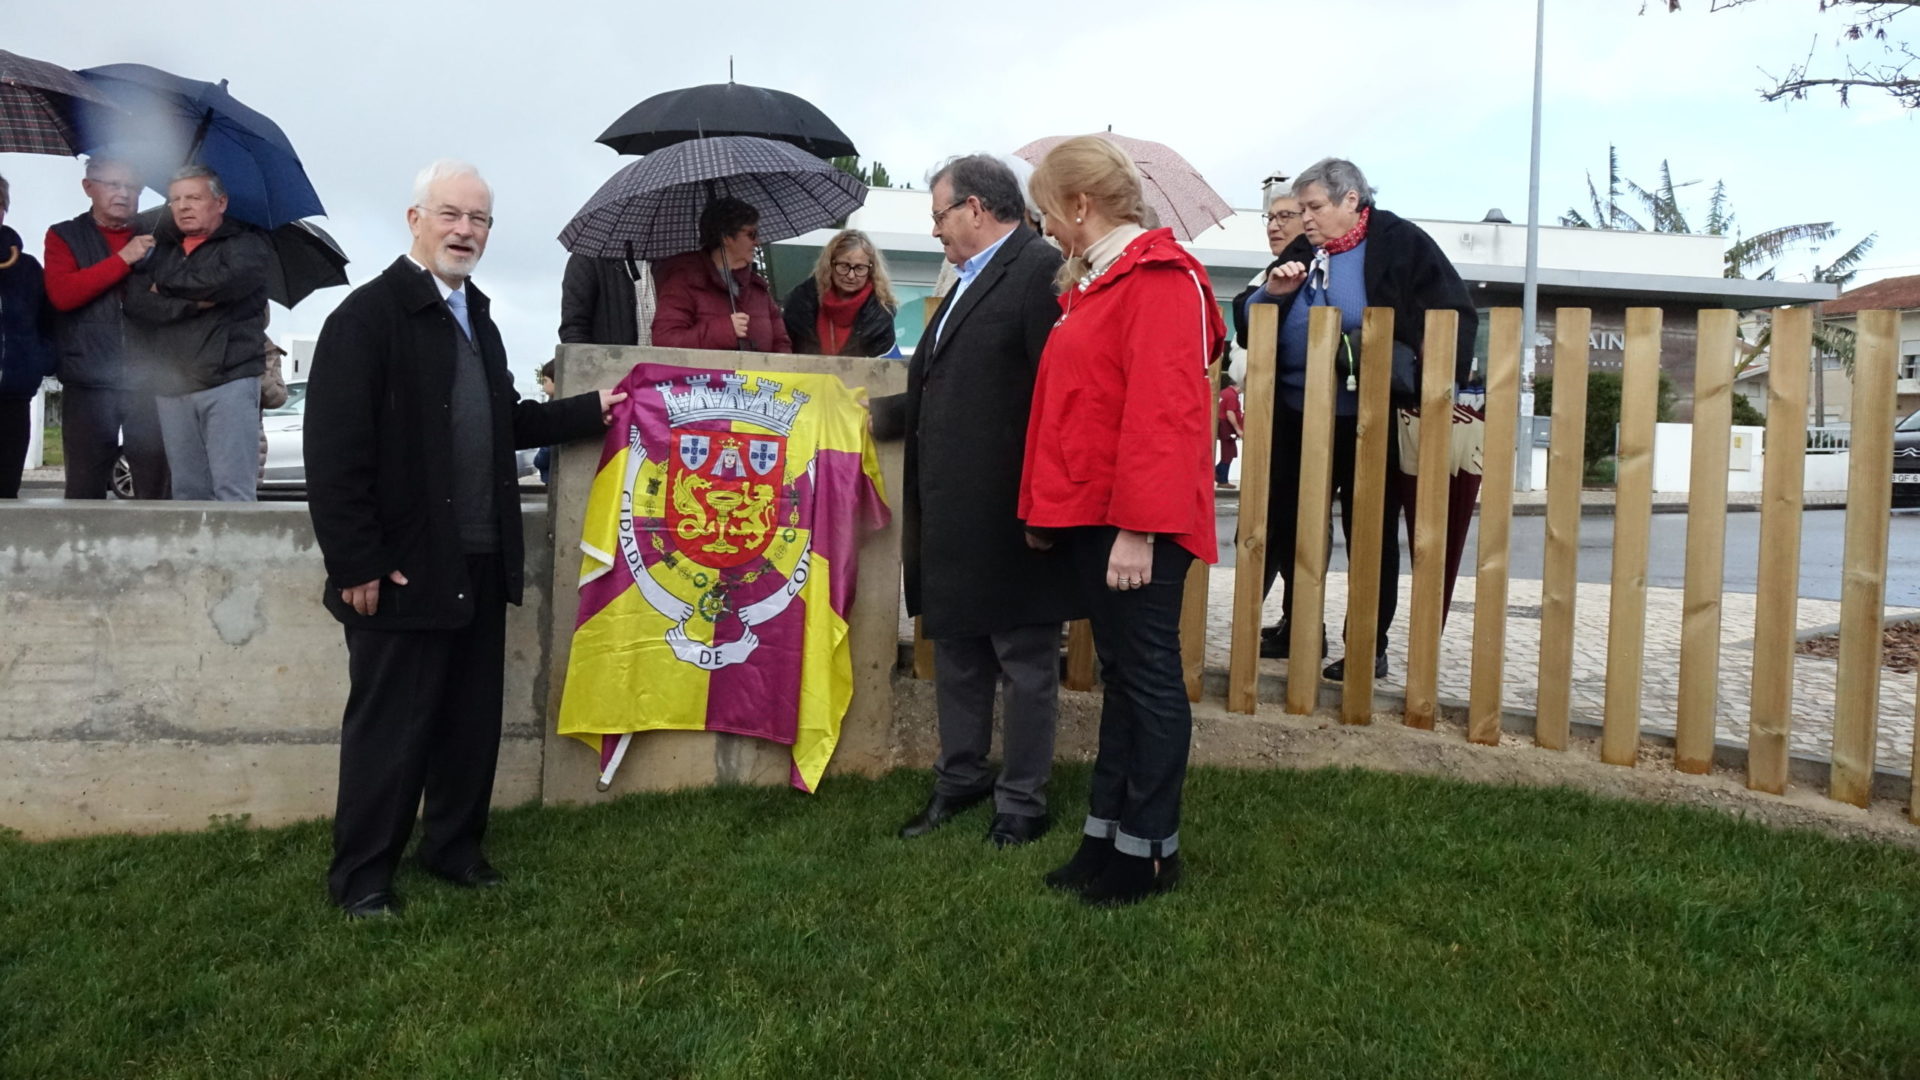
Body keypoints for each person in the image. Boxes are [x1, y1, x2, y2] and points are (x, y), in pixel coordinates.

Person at [304, 160, 625, 920]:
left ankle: (452, 847)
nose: (465, 231)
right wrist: (358, 559)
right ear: (414, 220)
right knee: (391, 729)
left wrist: (589, 411)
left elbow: (505, 420)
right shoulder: (366, 318)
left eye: (478, 220)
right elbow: (334, 450)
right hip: (403, 567)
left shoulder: (476, 316)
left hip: (480, 560)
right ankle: (363, 879)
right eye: (450, 215)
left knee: (467, 722)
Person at [1018, 135, 1224, 906]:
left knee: (1146, 678)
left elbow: (1163, 414)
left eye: (1048, 211)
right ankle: (1108, 835)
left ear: (1081, 205)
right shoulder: (1102, 282)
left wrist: (1139, 528)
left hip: (1133, 521)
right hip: (1097, 513)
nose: (1046, 228)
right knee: (1124, 678)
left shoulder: (1160, 279)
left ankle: (1150, 851)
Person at [873, 153, 1078, 848]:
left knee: (1024, 664)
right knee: (957, 655)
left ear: (976, 209)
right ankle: (960, 779)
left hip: (1012, 516)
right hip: (953, 517)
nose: (934, 230)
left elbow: (1060, 402)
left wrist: (1046, 509)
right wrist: (875, 414)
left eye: (938, 214)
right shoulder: (964, 281)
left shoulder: (1037, 272)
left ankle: (1022, 801)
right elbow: (949, 385)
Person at [1239, 157, 1477, 679]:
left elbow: (1454, 312)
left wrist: (1436, 389)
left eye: (1313, 207)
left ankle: (1368, 643)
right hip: (1297, 414)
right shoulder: (1308, 247)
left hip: (1371, 420)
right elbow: (1250, 318)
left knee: (1367, 532)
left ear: (1352, 200)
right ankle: (1300, 629)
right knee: (1292, 524)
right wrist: (1272, 295)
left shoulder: (1399, 242)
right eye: (1299, 209)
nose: (1303, 219)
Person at [123, 165, 273, 502]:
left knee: (232, 491)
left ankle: (235, 557)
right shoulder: (158, 247)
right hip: (172, 383)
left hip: (229, 378)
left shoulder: (248, 244)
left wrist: (166, 288)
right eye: (175, 199)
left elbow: (226, 283)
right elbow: (137, 303)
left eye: (193, 197)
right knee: (188, 493)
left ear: (220, 203)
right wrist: (193, 304)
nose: (183, 206)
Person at [42, 156, 169, 499]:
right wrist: (123, 259)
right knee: (84, 487)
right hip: (88, 377)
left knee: (156, 485)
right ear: (89, 187)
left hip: (149, 378)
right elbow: (63, 295)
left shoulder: (158, 235)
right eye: (113, 184)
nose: (123, 194)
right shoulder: (63, 235)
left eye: (132, 187)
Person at [650, 197, 791, 354]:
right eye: (751, 234)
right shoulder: (685, 282)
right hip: (706, 378)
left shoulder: (758, 289)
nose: (757, 242)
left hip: (761, 379)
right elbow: (664, 340)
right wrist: (724, 330)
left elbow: (781, 343)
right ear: (726, 238)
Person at [1, 174, 56, 498]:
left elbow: (48, 323)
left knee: (6, 494)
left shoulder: (28, 268)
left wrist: (38, 361)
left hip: (12, 398)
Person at [782, 229, 898, 357]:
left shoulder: (881, 312)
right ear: (829, 265)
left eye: (860, 268)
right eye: (844, 266)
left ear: (871, 269)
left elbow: (886, 367)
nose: (851, 275)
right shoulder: (800, 302)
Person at [559, 251, 653, 347]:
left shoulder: (663, 256)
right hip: (610, 360)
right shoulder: (586, 259)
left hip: (663, 359)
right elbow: (574, 329)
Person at [1216, 371, 1243, 489]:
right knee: (1228, 454)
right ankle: (1221, 478)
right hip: (1227, 428)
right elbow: (1230, 413)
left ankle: (1218, 474)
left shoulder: (1224, 393)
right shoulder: (1232, 396)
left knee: (1229, 453)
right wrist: (1238, 429)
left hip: (1223, 427)